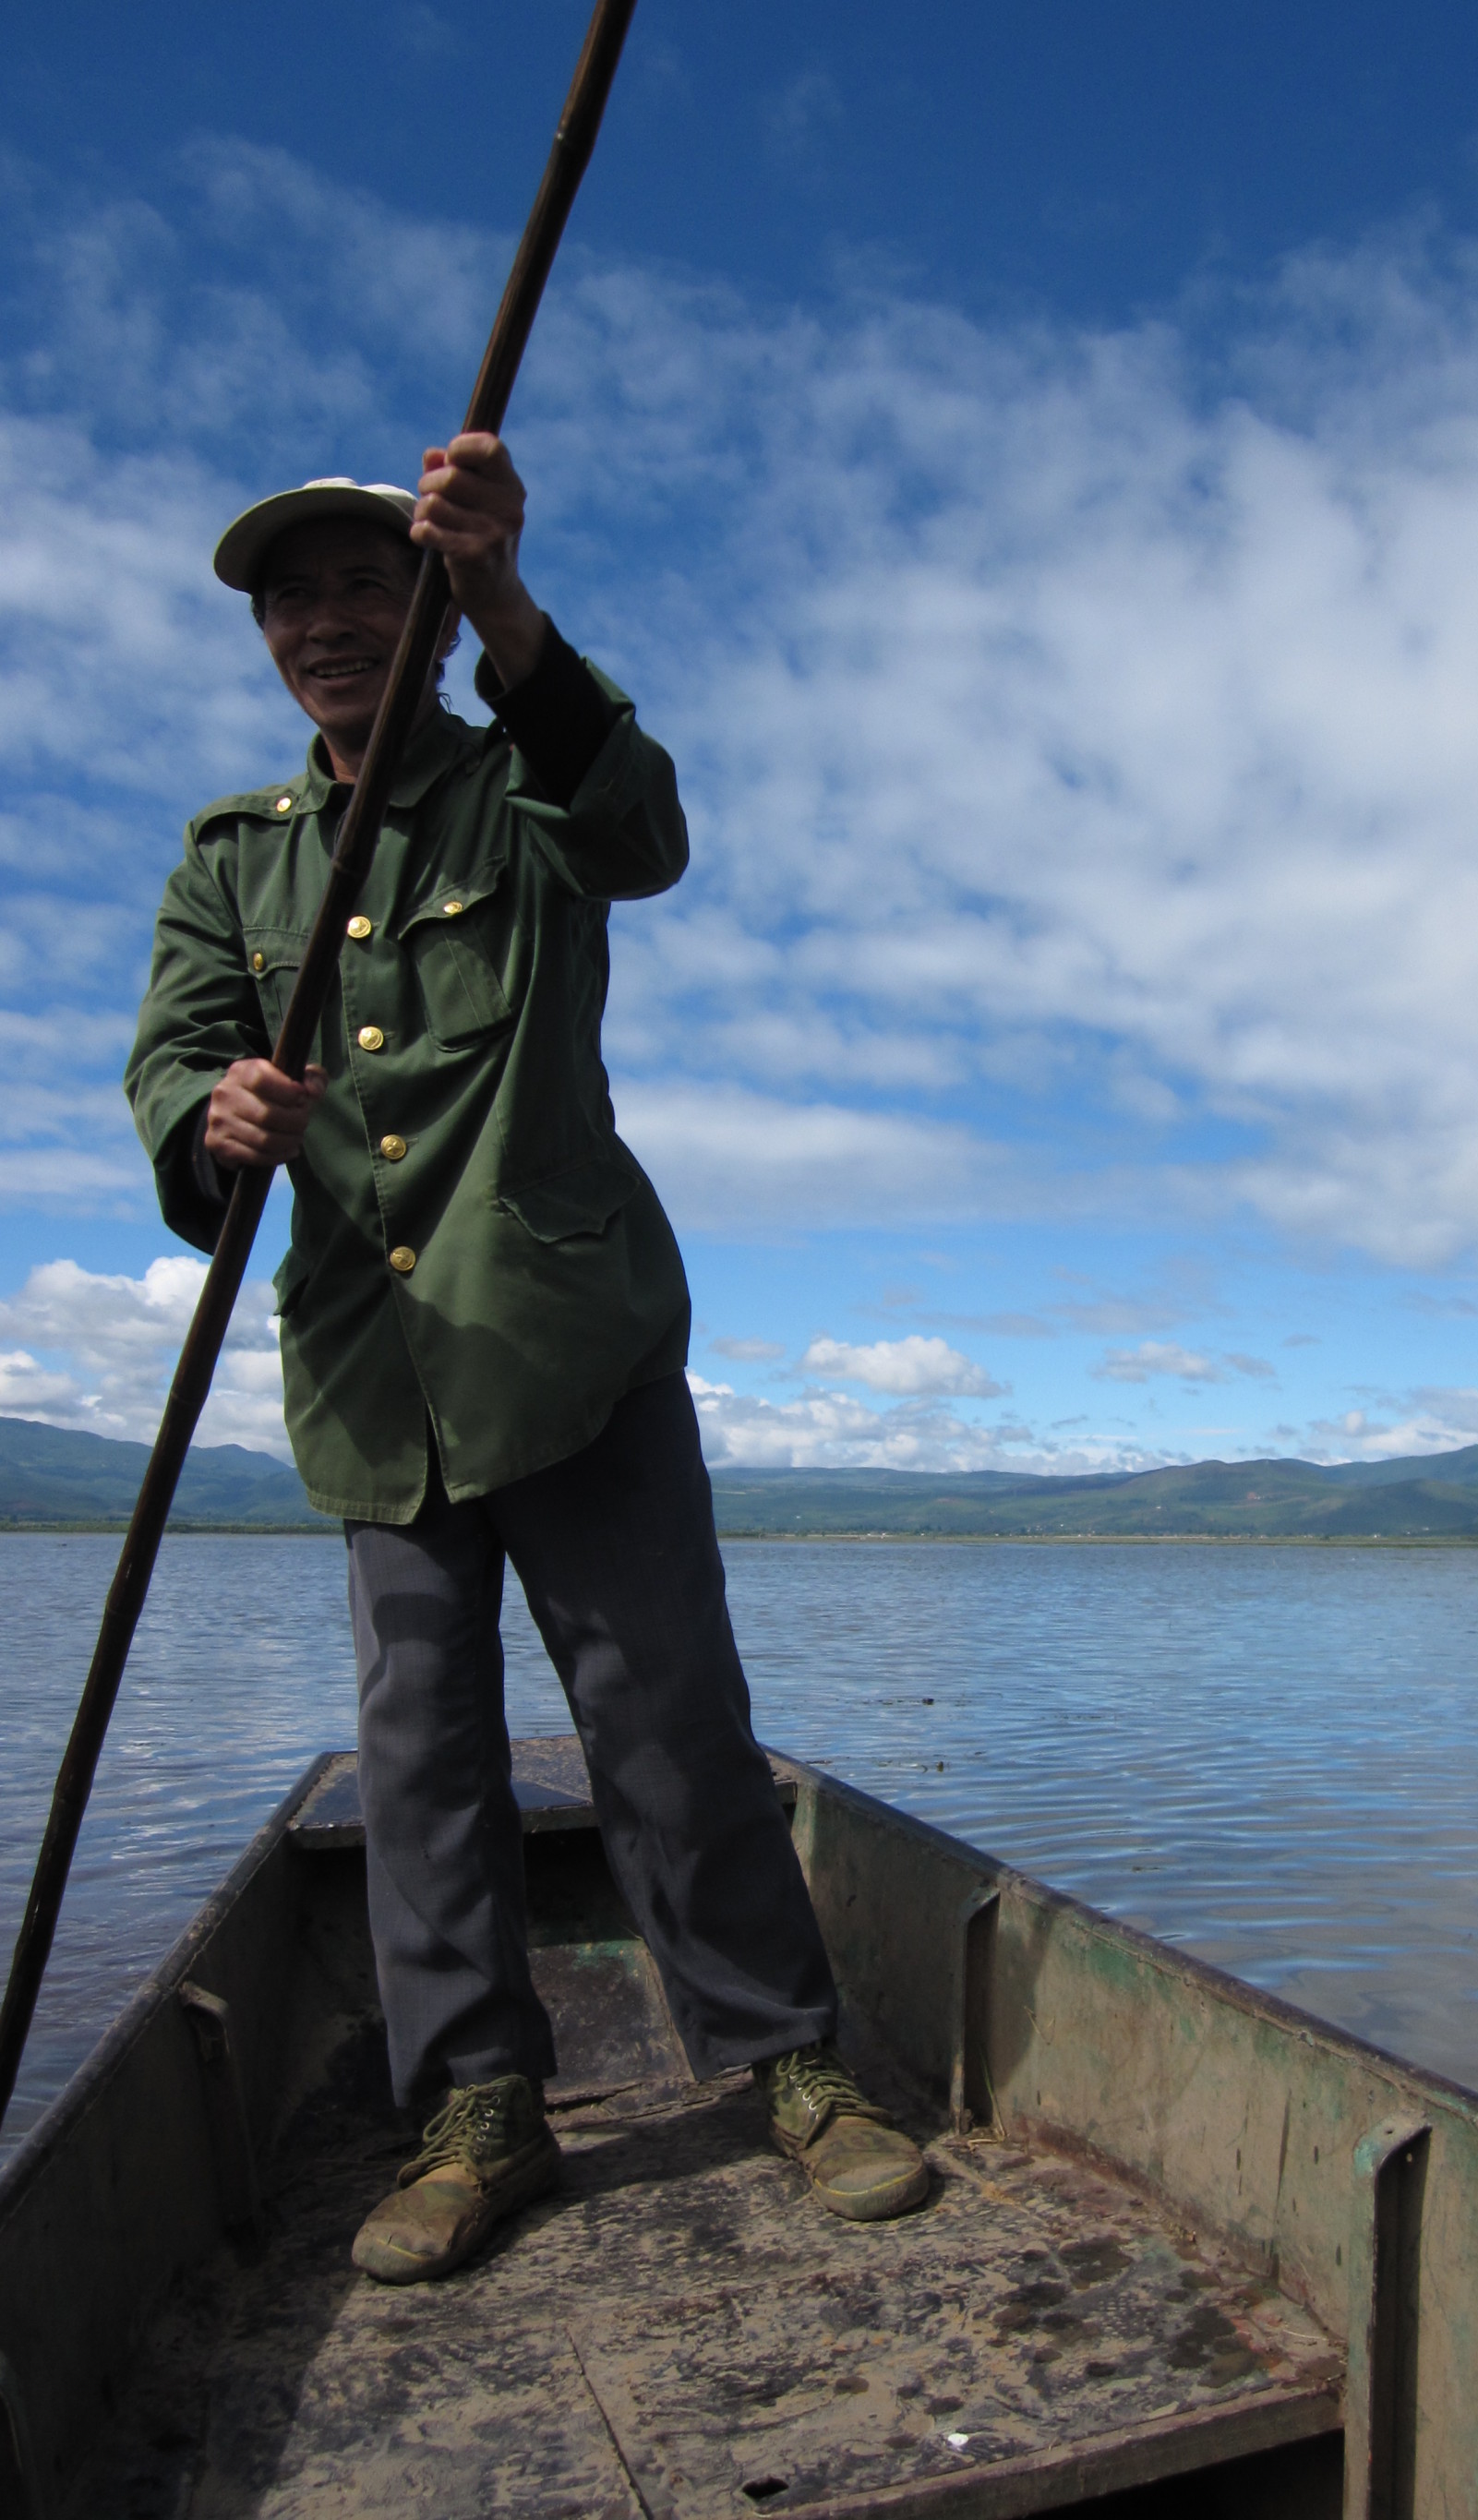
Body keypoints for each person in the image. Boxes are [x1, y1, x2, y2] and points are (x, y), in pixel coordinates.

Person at [125, 434, 928, 2282]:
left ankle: (791, 2065)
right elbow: (171, 1055)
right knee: (417, 1759)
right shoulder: (232, 862)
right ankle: (479, 2109)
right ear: (266, 639)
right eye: (292, 601)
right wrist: (211, 1114)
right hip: (372, 1374)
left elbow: (643, 834)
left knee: (666, 1722)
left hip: (576, 1349)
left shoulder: (523, 783)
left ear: (423, 607)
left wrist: (506, 608)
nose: (328, 623)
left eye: (365, 585)